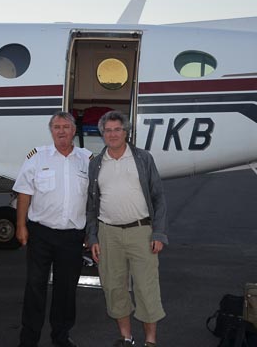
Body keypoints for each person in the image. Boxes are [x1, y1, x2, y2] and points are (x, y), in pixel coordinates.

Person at [86, 110, 168, 347]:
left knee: (146, 287)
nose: (112, 134)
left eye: (117, 130)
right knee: (114, 287)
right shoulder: (96, 164)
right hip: (108, 233)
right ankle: (126, 338)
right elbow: (91, 205)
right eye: (108, 131)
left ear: (126, 132)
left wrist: (159, 233)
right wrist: (93, 237)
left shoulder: (143, 159)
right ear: (102, 134)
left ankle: (150, 341)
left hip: (141, 232)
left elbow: (158, 198)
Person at [13, 111, 92, 347]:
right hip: (41, 234)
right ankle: (29, 339)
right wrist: (20, 225)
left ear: (74, 131)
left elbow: (94, 198)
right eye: (56, 127)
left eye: (66, 127)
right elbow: (24, 192)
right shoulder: (37, 157)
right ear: (51, 131)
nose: (61, 131)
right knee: (35, 287)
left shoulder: (87, 159)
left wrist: (92, 232)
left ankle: (61, 336)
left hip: (72, 236)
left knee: (66, 290)